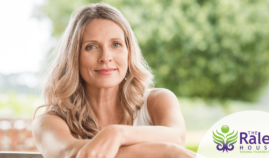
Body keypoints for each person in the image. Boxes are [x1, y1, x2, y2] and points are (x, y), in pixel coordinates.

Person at [32, 3, 197, 158]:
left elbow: (176, 136)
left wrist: (117, 134)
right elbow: (72, 153)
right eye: (91, 47)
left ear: (129, 52)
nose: (105, 57)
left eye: (116, 44)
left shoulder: (157, 100)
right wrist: (166, 151)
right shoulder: (48, 122)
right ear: (74, 57)